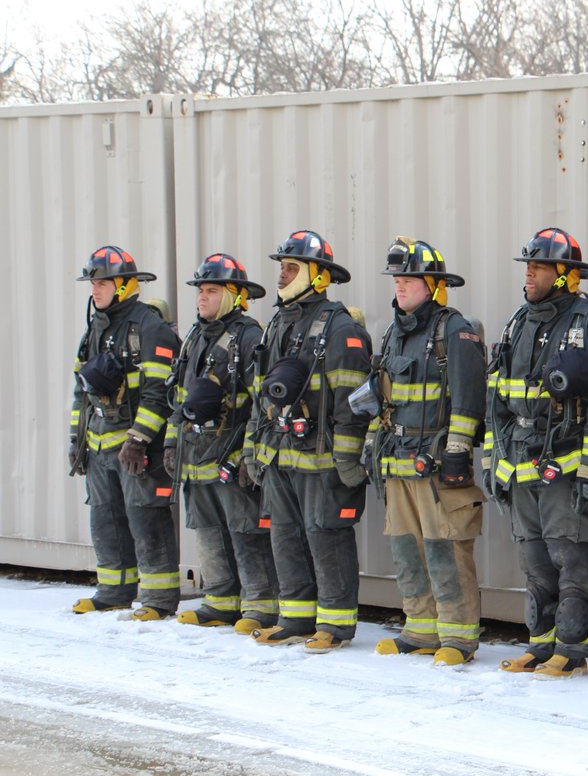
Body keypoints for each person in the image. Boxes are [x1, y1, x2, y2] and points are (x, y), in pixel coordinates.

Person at [485, 228, 588, 678]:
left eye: (539, 265)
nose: (528, 272)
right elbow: (496, 400)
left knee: (572, 558)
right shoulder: (517, 324)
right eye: (528, 264)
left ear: (565, 275)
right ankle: (541, 643)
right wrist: (493, 462)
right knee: (536, 561)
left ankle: (572, 648)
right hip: (521, 465)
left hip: (567, 470)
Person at [243, 230, 372, 652]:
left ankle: (334, 625)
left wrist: (348, 460)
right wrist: (252, 448)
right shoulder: (278, 322)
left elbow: (352, 402)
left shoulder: (339, 327)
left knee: (326, 536)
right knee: (284, 534)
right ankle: (295, 617)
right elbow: (258, 393)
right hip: (279, 454)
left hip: (322, 459)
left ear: (318, 276)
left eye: (290, 268)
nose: (281, 276)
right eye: (281, 267)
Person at [361, 238, 487, 666]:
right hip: (397, 462)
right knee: (406, 549)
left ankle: (457, 635)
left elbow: (469, 398)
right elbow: (381, 397)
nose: (400, 286)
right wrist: (370, 446)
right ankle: (420, 628)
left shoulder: (455, 330)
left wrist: (456, 451)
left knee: (445, 547)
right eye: (397, 278)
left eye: (410, 279)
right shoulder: (393, 333)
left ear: (433, 285)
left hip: (436, 464)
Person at [165, 253, 278, 634]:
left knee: (245, 531)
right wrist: (170, 442)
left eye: (211, 291)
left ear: (233, 295)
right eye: (200, 290)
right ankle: (219, 601)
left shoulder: (249, 337)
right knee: (208, 530)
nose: (202, 297)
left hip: (229, 456)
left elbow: (263, 403)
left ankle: (260, 605)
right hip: (195, 457)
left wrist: (248, 454)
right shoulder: (195, 337)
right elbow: (179, 396)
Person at [69, 246, 181, 620]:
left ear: (125, 285)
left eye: (102, 283)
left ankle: (159, 599)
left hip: (137, 451)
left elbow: (160, 393)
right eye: (92, 283)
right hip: (99, 445)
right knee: (106, 518)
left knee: (146, 518)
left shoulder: (149, 327)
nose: (94, 290)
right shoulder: (95, 328)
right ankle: (114, 591)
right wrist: (77, 441)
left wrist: (138, 439)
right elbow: (81, 391)